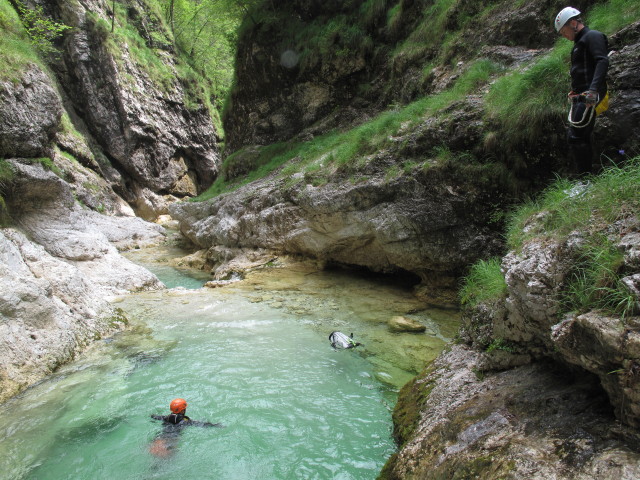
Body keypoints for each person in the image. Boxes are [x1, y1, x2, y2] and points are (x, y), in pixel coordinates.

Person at [554, 7, 609, 177]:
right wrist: (576, 90)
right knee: (577, 136)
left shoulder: (592, 36)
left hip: (591, 95)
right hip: (583, 95)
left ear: (573, 23)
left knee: (577, 136)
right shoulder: (579, 43)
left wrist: (592, 91)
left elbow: (602, 61)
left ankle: (585, 181)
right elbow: (583, 70)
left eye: (564, 32)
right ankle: (585, 180)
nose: (565, 36)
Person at [149, 398, 222, 458]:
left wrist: (152, 415)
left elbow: (154, 416)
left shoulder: (166, 417)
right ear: (182, 410)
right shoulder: (184, 421)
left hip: (159, 439)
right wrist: (214, 425)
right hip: (169, 443)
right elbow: (200, 424)